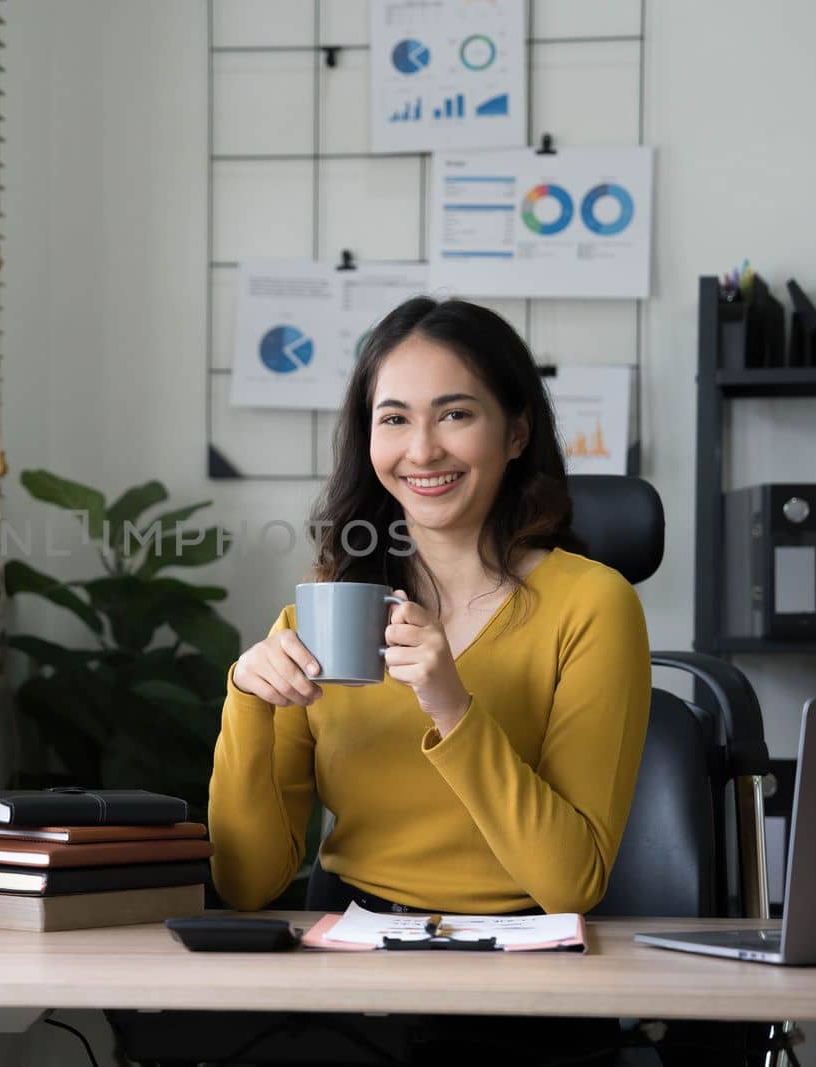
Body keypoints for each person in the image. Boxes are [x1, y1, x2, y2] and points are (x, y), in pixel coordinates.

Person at [207, 296, 651, 1064]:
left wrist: (451, 704)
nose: (422, 450)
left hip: (526, 990)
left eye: (454, 415)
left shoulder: (593, 605)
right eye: (394, 419)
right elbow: (247, 882)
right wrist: (246, 698)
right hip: (346, 982)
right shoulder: (326, 607)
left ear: (515, 432)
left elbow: (570, 881)